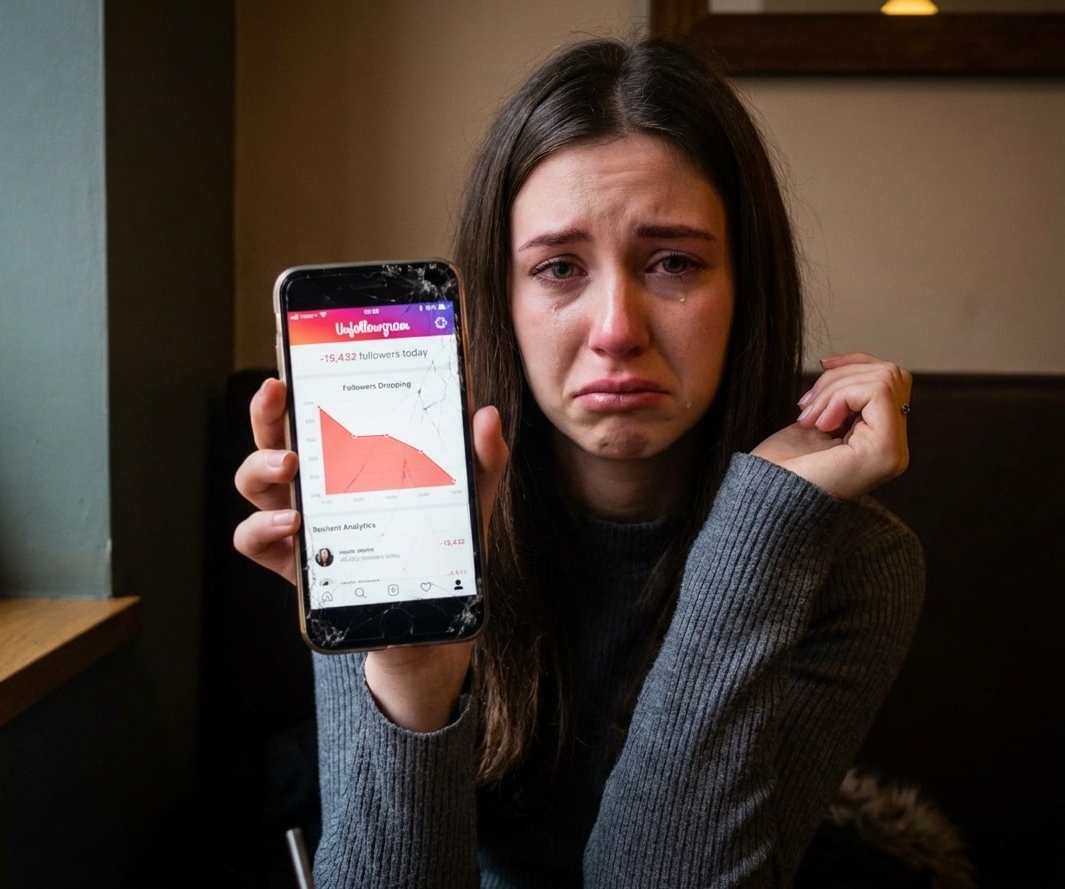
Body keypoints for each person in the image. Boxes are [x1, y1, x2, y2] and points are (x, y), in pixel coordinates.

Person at [233, 35, 923, 888]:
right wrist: (410, 678)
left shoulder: (856, 563)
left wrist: (760, 537)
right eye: (559, 267)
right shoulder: (403, 518)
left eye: (673, 262)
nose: (616, 330)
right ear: (503, 296)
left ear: (747, 285)